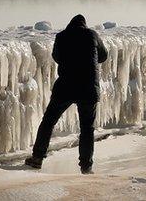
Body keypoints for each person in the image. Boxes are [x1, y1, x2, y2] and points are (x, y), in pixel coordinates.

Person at [25, 14, 109, 174]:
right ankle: (86, 166)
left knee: (48, 121)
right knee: (87, 128)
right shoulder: (92, 35)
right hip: (88, 88)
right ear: (84, 25)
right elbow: (104, 56)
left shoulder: (62, 36)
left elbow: (56, 57)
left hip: (66, 86)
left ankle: (37, 158)